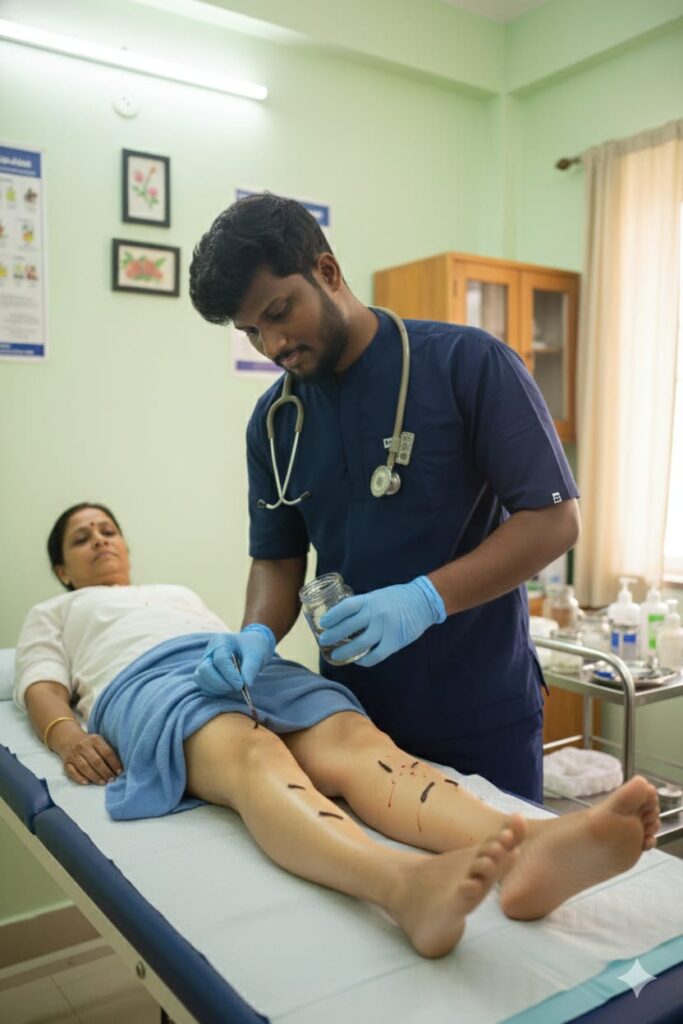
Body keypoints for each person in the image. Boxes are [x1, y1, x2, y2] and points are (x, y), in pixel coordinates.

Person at [15, 503, 659, 959]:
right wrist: (68, 736)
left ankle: (527, 849)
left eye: (108, 530)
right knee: (255, 752)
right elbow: (40, 683)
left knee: (356, 742)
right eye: (82, 538)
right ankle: (401, 886)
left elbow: (242, 630)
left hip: (231, 661)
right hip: (145, 683)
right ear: (64, 570)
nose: (100, 541)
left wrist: (247, 645)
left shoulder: (174, 592)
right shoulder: (56, 610)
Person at [189, 193, 582, 802]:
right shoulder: (275, 421)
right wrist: (256, 635)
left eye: (279, 312)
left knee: (504, 860)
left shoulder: (468, 364)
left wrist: (424, 600)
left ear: (327, 271)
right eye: (251, 332)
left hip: (481, 712)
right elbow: (277, 558)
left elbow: (554, 520)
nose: (272, 345)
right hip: (350, 719)